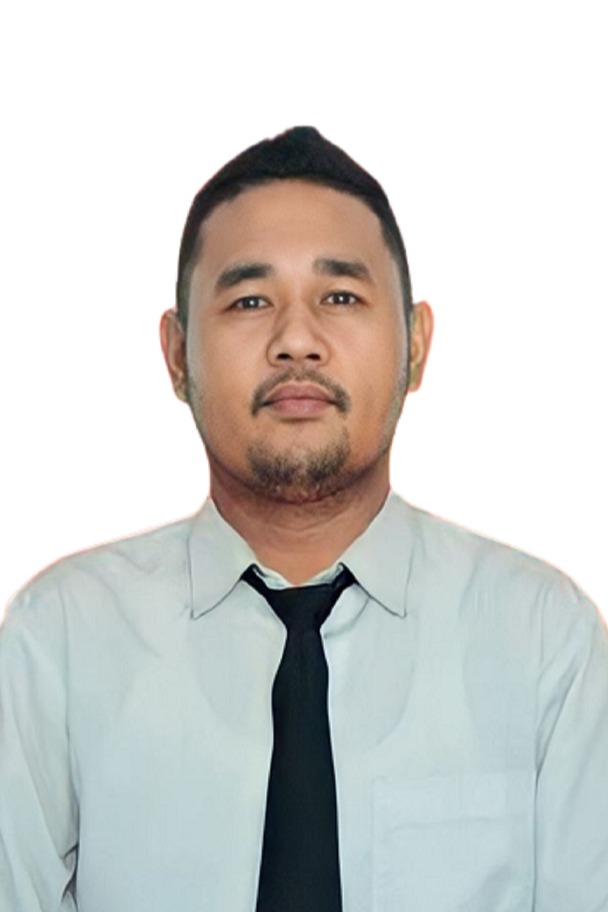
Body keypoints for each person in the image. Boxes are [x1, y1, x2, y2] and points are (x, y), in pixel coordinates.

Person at [1, 127, 607, 912]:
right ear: (177, 354)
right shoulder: (58, 642)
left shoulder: (545, 642)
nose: (295, 341)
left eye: (341, 297)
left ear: (416, 345)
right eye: (250, 300)